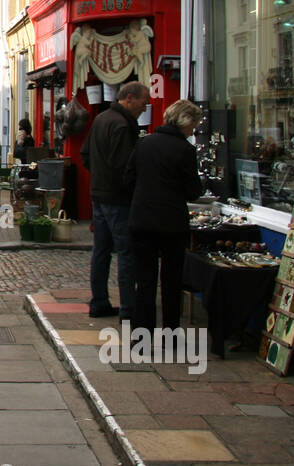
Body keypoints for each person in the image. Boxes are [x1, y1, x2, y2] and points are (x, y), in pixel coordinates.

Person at [125, 98, 204, 330]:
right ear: (184, 122)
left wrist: (143, 196)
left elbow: (128, 179)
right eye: (193, 125)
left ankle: (142, 336)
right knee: (171, 281)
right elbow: (193, 191)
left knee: (145, 281)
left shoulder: (144, 144)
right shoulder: (185, 150)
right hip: (172, 223)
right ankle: (170, 333)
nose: (193, 130)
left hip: (142, 220)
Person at [79, 81, 150, 319]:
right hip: (118, 199)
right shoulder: (122, 125)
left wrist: (98, 177)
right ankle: (129, 310)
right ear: (129, 98)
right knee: (125, 253)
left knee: (101, 251)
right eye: (143, 100)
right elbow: (125, 167)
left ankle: (99, 302)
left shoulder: (101, 119)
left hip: (99, 195)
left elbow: (85, 154)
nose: (146, 105)